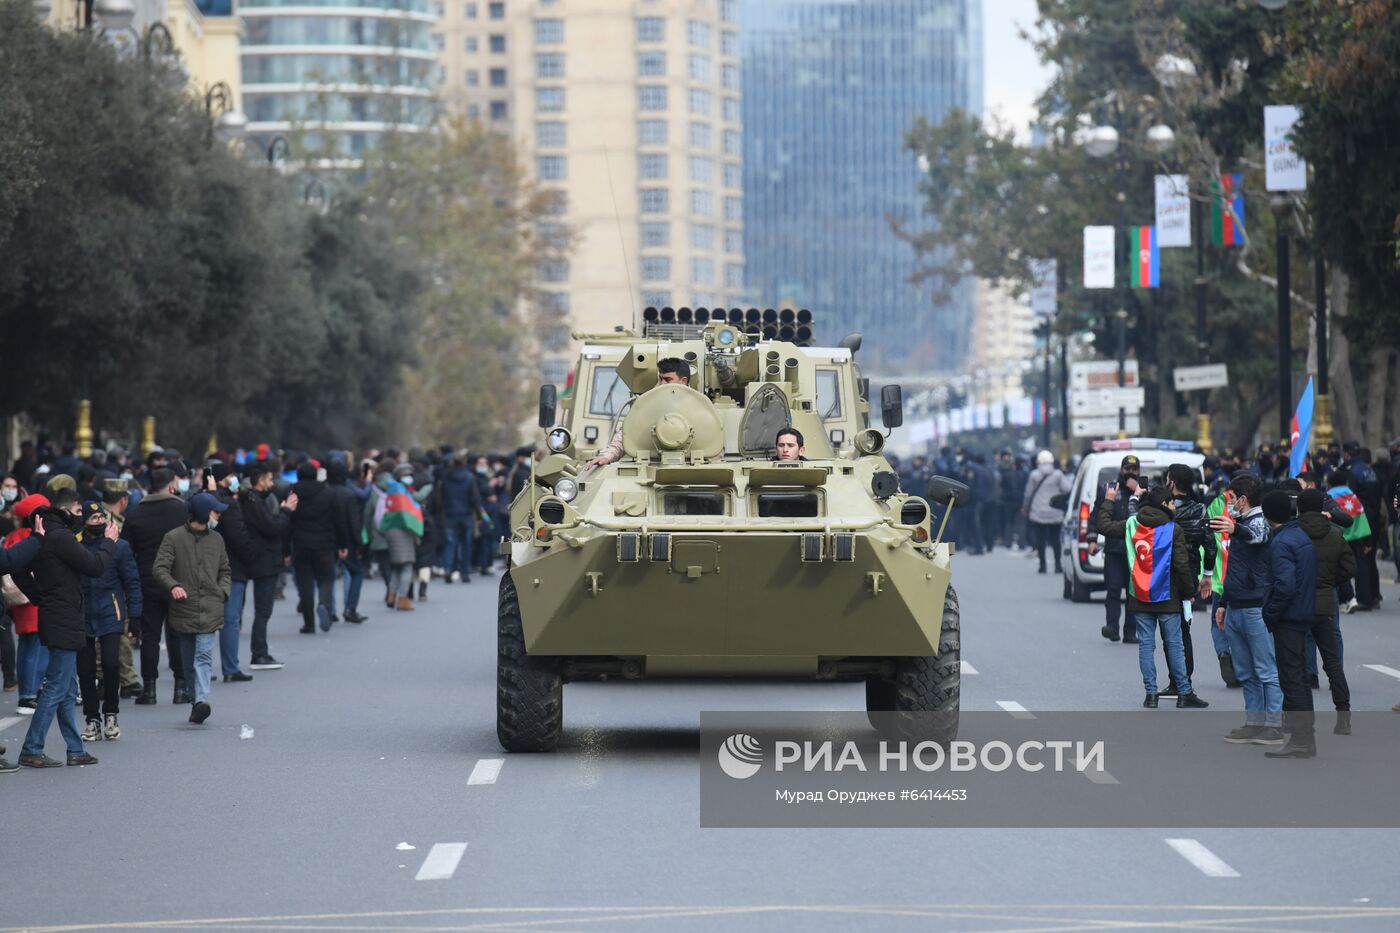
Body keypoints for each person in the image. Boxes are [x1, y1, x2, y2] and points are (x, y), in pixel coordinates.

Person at [14, 487, 119, 768]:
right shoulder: (60, 537)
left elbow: (17, 568)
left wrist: (39, 596)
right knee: (56, 688)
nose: (80, 516)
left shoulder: (42, 536)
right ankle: (32, 747)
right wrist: (110, 541)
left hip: (56, 614)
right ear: (68, 508)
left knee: (66, 689)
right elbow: (95, 566)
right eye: (77, 511)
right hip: (65, 617)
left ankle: (75, 748)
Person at [1096, 483, 1207, 709]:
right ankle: (1184, 693)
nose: (1174, 506)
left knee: (1146, 645)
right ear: (1164, 504)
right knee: (1175, 645)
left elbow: (1104, 526)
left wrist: (1109, 499)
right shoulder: (1172, 529)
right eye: (1171, 502)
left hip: (1139, 595)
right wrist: (1189, 592)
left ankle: (1151, 694)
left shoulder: (1131, 524)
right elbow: (1181, 564)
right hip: (1168, 597)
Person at [1211, 472, 1283, 745]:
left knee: (1266, 670)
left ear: (1242, 499)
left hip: (1256, 608)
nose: (1227, 503)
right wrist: (1224, 604)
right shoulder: (1239, 522)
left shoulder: (1259, 522)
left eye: (1230, 498)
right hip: (1236, 606)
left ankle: (1274, 725)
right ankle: (1254, 722)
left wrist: (1235, 529)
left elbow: (1257, 537)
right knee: (1245, 671)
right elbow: (1234, 569)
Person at [152, 492, 230, 725]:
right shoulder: (173, 538)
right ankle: (196, 699)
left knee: (203, 656)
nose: (218, 515)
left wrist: (222, 591)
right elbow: (160, 568)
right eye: (215, 511)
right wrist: (173, 586)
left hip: (210, 607)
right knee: (187, 660)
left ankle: (201, 701)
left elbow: (225, 569)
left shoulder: (217, 539)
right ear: (205, 514)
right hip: (184, 608)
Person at [1259, 490, 1323, 759]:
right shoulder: (1299, 536)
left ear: (1267, 515)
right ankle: (1305, 738)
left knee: (1292, 680)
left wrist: (1271, 613)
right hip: (1302, 614)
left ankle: (1300, 739)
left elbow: (1285, 586)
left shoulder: (1282, 543)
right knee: (1299, 679)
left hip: (1289, 618)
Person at [122, 467, 192, 704]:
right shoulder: (182, 510)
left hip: (147, 580)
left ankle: (149, 688)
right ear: (172, 485)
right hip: (177, 581)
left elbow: (126, 551)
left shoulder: (135, 513)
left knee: (150, 636)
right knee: (177, 634)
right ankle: (181, 687)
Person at [76, 501, 141, 742]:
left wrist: (135, 617)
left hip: (110, 612)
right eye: (93, 519)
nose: (99, 522)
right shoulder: (75, 546)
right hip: (83, 613)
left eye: (101, 518)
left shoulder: (120, 547)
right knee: (86, 669)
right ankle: (92, 719)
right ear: (84, 522)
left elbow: (131, 582)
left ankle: (111, 713)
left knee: (112, 664)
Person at [1161, 464, 1217, 694]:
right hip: (1190, 577)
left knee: (1168, 630)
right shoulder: (1201, 511)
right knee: (1184, 628)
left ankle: (1178, 681)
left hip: (1163, 577)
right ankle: (1184, 680)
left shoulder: (1163, 511)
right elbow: (1210, 545)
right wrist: (1207, 576)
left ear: (1171, 483)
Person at [586, 358, 691, 469]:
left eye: (667, 379)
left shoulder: (701, 406)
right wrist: (608, 456)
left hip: (692, 466)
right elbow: (627, 435)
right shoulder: (648, 404)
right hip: (652, 466)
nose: (661, 384)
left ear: (683, 381)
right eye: (660, 379)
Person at [207, 463, 256, 683]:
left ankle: (203, 667)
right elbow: (239, 538)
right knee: (230, 619)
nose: (234, 478)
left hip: (207, 567)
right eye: (230, 475)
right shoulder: (229, 505)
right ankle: (231, 667)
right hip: (231, 568)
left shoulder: (204, 502)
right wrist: (251, 559)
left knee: (204, 620)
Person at [240, 465, 293, 670]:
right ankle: (259, 653)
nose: (272, 484)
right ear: (261, 481)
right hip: (265, 560)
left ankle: (260, 652)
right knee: (263, 610)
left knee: (262, 609)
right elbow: (273, 527)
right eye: (269, 480)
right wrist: (286, 510)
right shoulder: (255, 502)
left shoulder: (254, 500)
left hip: (263, 558)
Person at [288, 461, 348, 634]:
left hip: (301, 544)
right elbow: (339, 521)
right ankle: (323, 603)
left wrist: (286, 549)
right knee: (326, 579)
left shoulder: (294, 494)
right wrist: (342, 544)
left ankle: (309, 623)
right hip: (325, 544)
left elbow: (288, 521)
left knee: (305, 583)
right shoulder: (328, 493)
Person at [3, 495, 47, 714]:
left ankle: (26, 693)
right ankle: (31, 692)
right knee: (37, 645)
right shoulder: (35, 538)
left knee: (26, 645)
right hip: (33, 597)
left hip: (17, 600)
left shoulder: (12, 536)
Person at [1093, 455, 1143, 642]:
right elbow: (1097, 514)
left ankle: (1130, 632)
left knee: (1133, 593)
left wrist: (1138, 494)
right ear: (1121, 470)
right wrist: (1092, 539)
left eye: (1134, 469)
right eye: (1127, 469)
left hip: (1137, 553)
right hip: (1114, 549)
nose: (1130, 472)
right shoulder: (1111, 489)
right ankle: (1112, 627)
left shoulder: (1144, 491)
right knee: (1113, 590)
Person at [328, 461, 368, 623]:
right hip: (348, 541)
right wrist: (359, 543)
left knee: (328, 576)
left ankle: (329, 608)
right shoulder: (348, 494)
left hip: (328, 540)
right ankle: (350, 608)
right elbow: (354, 522)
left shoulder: (326, 492)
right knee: (356, 573)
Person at [380, 464, 423, 610]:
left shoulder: (392, 490)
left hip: (392, 531)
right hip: (403, 531)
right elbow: (408, 512)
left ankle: (392, 595)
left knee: (397, 567)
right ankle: (403, 598)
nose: (409, 477)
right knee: (407, 565)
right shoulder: (400, 491)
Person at [1022, 450, 1070, 575]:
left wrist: (1025, 508)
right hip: (1055, 510)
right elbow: (1067, 488)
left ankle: (1042, 566)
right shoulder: (1058, 474)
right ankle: (1058, 565)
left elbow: (1028, 494)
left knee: (1040, 540)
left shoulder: (1034, 475)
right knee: (1055, 540)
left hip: (1038, 511)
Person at [438, 453, 481, 585]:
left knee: (450, 544)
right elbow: (475, 498)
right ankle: (465, 573)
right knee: (466, 545)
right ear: (464, 463)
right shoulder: (469, 478)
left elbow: (440, 497)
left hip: (450, 515)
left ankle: (448, 569)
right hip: (467, 515)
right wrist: (478, 515)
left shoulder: (445, 477)